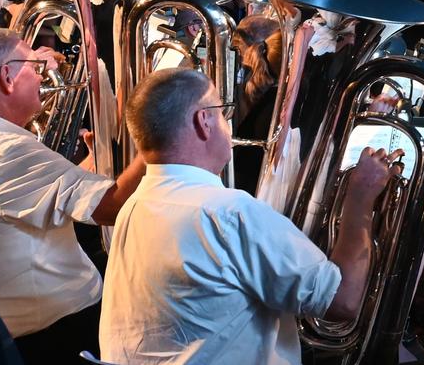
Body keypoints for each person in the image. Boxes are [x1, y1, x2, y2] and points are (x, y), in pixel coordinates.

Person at [99, 67, 391, 364]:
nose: (229, 125)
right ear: (204, 121)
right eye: (224, 113)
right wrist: (360, 198)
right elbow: (342, 300)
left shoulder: (134, 205)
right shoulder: (229, 214)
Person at [0, 28, 148, 358]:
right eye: (35, 68)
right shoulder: (5, 152)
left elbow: (14, 195)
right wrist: (154, 144)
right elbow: (114, 209)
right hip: (36, 343)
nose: (42, 77)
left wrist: (89, 165)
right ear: (7, 76)